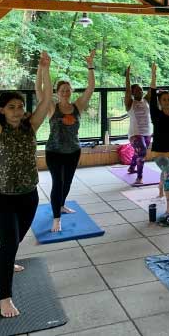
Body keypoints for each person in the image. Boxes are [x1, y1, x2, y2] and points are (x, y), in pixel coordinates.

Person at [0, 51, 52, 318]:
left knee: (15, 242)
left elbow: (46, 100)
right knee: (8, 244)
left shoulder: (31, 126)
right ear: (2, 110)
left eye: (20, 106)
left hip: (29, 197)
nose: (17, 111)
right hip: (3, 200)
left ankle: (7, 263)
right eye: (11, 107)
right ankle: (4, 298)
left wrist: (45, 70)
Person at [35, 51, 95, 233]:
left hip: (73, 151)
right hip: (54, 151)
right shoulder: (51, 107)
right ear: (57, 92)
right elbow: (39, 89)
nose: (66, 92)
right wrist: (41, 68)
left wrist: (90, 65)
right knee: (58, 183)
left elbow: (90, 88)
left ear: (71, 92)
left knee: (67, 182)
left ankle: (61, 205)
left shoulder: (77, 106)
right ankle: (56, 219)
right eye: (62, 90)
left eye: (68, 90)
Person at [147, 63, 169, 215]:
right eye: (164, 100)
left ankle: (160, 188)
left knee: (165, 173)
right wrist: (154, 75)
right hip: (159, 152)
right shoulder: (156, 113)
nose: (168, 102)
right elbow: (152, 92)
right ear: (159, 102)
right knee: (168, 172)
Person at [125, 65, 153, 184]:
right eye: (136, 90)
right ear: (132, 93)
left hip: (147, 132)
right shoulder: (130, 103)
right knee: (142, 152)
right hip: (135, 134)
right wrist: (127, 76)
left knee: (139, 152)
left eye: (141, 89)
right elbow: (126, 89)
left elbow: (152, 87)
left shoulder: (146, 100)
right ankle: (139, 177)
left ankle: (132, 167)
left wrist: (153, 74)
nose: (140, 91)